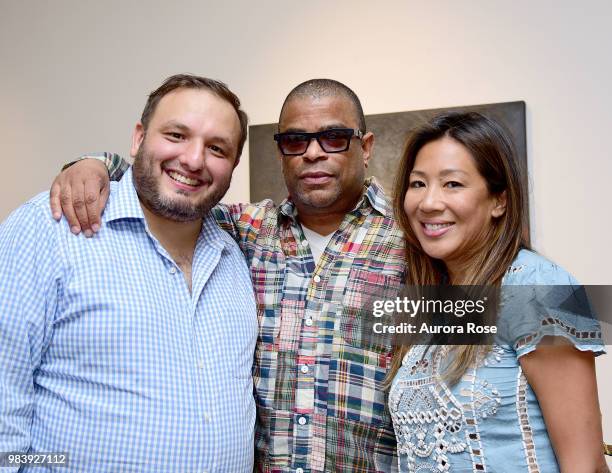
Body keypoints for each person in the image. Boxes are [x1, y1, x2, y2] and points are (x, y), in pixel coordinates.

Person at [48, 79, 406, 472]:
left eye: (334, 138)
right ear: (281, 152)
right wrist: (94, 164)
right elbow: (174, 188)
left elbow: (468, 368)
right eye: (295, 141)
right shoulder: (244, 232)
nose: (313, 153)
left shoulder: (414, 244)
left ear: (366, 147)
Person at [0, 74, 258, 472]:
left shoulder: (235, 255)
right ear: (138, 139)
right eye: (175, 135)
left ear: (233, 165)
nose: (193, 159)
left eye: (216, 148)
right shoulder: (49, 229)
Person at [387, 111, 608, 472]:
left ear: (499, 200)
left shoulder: (536, 287)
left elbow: (586, 464)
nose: (428, 203)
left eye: (452, 184)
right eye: (418, 184)